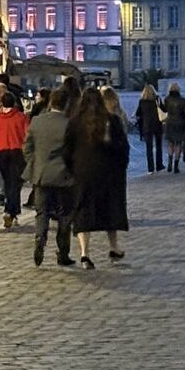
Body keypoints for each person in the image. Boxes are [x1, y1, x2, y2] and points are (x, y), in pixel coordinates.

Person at [63, 87, 129, 268]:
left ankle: (85, 254)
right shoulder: (112, 120)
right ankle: (114, 247)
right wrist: (121, 167)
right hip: (108, 173)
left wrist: (71, 169)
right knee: (110, 210)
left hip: (83, 173)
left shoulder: (74, 123)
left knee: (83, 211)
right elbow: (123, 148)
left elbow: (66, 149)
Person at [24, 86, 76, 267]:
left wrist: (35, 163)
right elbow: (74, 152)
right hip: (63, 176)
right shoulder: (69, 124)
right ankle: (63, 253)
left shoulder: (37, 122)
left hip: (41, 174)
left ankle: (40, 238)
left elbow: (27, 147)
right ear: (66, 104)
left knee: (42, 212)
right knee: (64, 215)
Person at [0, 91, 28, 228]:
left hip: (1, 152)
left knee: (7, 182)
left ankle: (12, 212)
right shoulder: (20, 117)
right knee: (15, 182)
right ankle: (10, 211)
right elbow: (26, 135)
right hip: (16, 151)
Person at [135, 83, 164, 173]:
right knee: (159, 146)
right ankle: (159, 165)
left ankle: (150, 168)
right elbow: (164, 109)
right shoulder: (157, 99)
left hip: (147, 126)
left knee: (149, 147)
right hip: (157, 125)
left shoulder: (142, 101)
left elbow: (138, 114)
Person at [162, 82, 185, 172]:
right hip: (180, 123)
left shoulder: (167, 99)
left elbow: (164, 110)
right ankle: (176, 166)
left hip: (170, 122)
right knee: (178, 144)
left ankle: (169, 163)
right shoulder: (182, 100)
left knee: (170, 144)